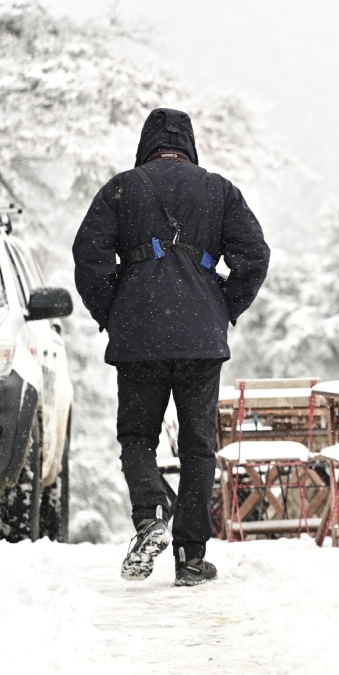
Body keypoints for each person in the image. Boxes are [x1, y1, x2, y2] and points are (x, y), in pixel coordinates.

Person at [73, 108, 270, 586]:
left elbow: (89, 255)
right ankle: (190, 556)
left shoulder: (122, 188)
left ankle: (150, 517)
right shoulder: (219, 189)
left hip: (138, 336)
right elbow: (255, 255)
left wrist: (113, 312)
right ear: (189, 144)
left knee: (138, 436)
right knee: (199, 445)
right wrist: (224, 306)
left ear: (147, 143)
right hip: (201, 339)